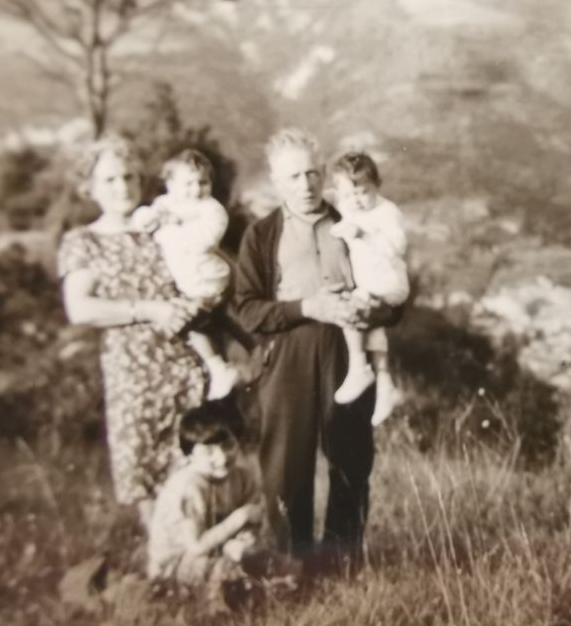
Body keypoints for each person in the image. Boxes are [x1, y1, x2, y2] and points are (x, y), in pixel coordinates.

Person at [232, 128, 399, 562]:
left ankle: (341, 560)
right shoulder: (262, 235)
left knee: (350, 454)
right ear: (275, 180)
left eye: (311, 173)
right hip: (287, 353)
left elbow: (394, 288)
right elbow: (248, 309)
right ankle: (293, 564)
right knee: (286, 465)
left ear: (324, 173)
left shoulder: (354, 221)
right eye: (292, 177)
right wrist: (308, 307)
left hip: (348, 352)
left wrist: (374, 312)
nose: (304, 185)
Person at [57, 134, 206, 527]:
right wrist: (147, 310)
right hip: (134, 374)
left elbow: (202, 278)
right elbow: (80, 308)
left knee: (199, 467)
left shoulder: (163, 228)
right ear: (89, 188)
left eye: (129, 177)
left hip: (186, 365)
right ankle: (166, 571)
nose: (122, 187)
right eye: (110, 180)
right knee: (147, 472)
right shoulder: (84, 242)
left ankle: (206, 567)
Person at [132, 149, 241, 399]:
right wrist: (148, 218)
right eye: (188, 183)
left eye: (203, 182)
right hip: (185, 281)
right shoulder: (165, 204)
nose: (196, 189)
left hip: (206, 280)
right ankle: (244, 352)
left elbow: (205, 241)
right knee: (212, 324)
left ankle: (218, 367)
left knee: (189, 321)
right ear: (170, 185)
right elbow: (143, 219)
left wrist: (170, 228)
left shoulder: (212, 210)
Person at [329, 151, 410, 426]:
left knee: (352, 310)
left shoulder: (386, 212)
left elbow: (397, 247)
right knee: (373, 327)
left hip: (388, 283)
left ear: (377, 185)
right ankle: (385, 384)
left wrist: (364, 234)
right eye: (349, 195)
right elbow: (336, 205)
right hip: (371, 283)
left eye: (363, 193)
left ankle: (358, 366)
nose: (356, 201)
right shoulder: (348, 207)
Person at [146, 399, 262, 587]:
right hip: (176, 563)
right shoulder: (190, 487)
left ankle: (248, 582)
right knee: (227, 572)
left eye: (228, 445)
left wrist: (245, 536)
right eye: (208, 452)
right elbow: (196, 546)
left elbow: (254, 516)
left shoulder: (242, 476)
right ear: (189, 454)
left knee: (264, 556)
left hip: (215, 547)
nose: (222, 457)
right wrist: (239, 518)